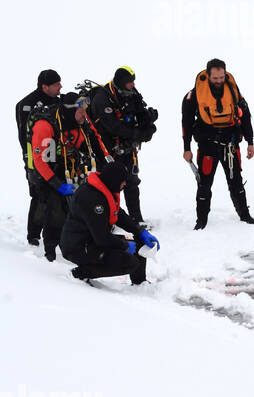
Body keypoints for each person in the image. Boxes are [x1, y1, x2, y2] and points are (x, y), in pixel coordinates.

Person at [182, 58, 254, 230]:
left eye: (221, 77)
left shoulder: (232, 90)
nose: (219, 81)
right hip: (207, 145)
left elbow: (246, 116)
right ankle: (201, 221)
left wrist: (250, 142)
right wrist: (186, 148)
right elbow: (186, 123)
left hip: (230, 144)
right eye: (215, 78)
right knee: (204, 184)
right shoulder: (193, 95)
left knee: (236, 182)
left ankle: (245, 216)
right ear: (208, 75)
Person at [59, 162, 159, 285]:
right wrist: (125, 246)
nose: (125, 184)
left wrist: (140, 232)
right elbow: (102, 238)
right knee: (129, 261)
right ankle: (80, 273)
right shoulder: (92, 199)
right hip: (78, 247)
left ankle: (139, 283)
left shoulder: (106, 188)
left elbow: (118, 214)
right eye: (123, 181)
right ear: (114, 180)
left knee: (138, 242)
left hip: (95, 239)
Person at [27, 93, 95, 262]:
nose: (84, 116)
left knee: (66, 209)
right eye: (81, 112)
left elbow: (82, 144)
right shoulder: (45, 126)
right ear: (70, 111)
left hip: (65, 166)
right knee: (50, 206)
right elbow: (40, 161)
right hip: (44, 170)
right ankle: (46, 248)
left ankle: (67, 243)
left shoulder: (77, 123)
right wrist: (57, 185)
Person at [88, 67, 158, 224]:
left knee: (132, 181)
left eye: (134, 81)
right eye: (130, 82)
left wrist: (148, 124)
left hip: (127, 147)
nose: (133, 85)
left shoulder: (131, 92)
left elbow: (140, 111)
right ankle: (107, 221)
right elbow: (112, 126)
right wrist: (137, 134)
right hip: (107, 150)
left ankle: (136, 219)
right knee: (109, 186)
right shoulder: (102, 99)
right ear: (121, 82)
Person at [16, 70, 64, 248]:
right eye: (57, 84)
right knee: (39, 195)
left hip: (56, 155)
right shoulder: (26, 104)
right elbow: (24, 136)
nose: (60, 87)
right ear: (45, 87)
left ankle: (54, 234)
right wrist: (32, 160)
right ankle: (33, 235)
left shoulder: (59, 102)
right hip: (34, 156)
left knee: (56, 194)